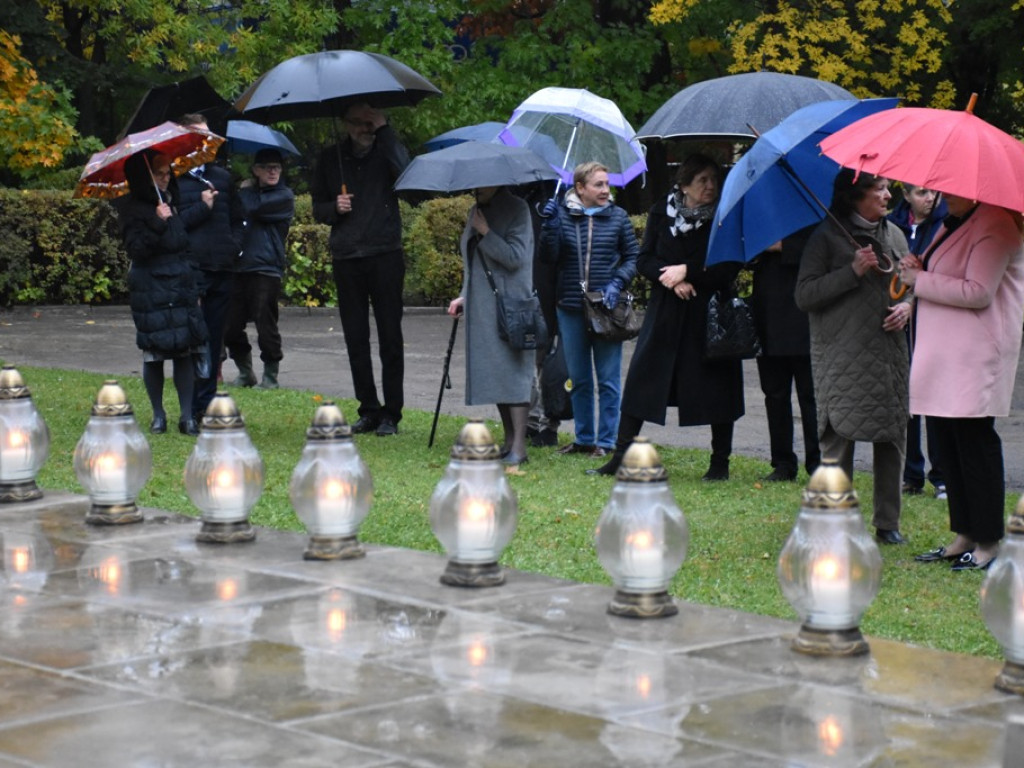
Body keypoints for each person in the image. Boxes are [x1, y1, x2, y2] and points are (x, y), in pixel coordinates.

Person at [590, 153, 744, 480]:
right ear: (684, 184)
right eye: (703, 180)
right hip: (666, 315)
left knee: (718, 388)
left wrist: (689, 273)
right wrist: (670, 278)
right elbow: (643, 259)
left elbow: (732, 264)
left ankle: (720, 464)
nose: (711, 186)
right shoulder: (663, 210)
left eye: (714, 180)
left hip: (709, 314)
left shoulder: (724, 216)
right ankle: (620, 456)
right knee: (641, 383)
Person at [904, 197, 1024, 571]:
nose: (939, 193)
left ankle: (988, 542)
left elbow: (978, 291)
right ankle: (964, 535)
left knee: (973, 443)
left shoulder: (995, 223)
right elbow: (950, 271)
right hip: (945, 353)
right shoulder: (954, 220)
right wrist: (920, 266)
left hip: (975, 352)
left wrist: (920, 280)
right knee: (947, 443)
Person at [795, 169, 912, 544]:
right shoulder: (825, 238)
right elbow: (805, 296)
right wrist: (852, 271)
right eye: (880, 190)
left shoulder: (894, 235)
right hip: (841, 354)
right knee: (840, 435)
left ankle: (888, 523)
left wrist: (908, 306)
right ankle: (834, 519)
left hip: (889, 353)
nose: (888, 196)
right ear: (855, 196)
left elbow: (910, 284)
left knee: (892, 434)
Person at [311, 102, 409, 436]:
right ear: (345, 124)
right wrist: (333, 208)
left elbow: (409, 180)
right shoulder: (330, 158)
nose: (363, 130)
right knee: (356, 338)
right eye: (356, 123)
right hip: (348, 255)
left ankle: (391, 413)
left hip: (385, 253)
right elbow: (317, 207)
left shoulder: (387, 152)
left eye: (369, 123)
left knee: (390, 337)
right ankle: (368, 408)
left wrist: (385, 130)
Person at [539, 162, 638, 458]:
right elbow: (548, 257)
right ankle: (584, 439)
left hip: (606, 309)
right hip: (570, 306)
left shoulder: (618, 218)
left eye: (607, 184)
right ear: (580, 188)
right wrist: (549, 227)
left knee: (608, 380)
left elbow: (633, 257)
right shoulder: (563, 215)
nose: (606, 190)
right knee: (579, 379)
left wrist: (616, 283)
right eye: (598, 184)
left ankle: (606, 442)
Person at [117, 150, 208, 435]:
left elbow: (183, 245)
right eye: (159, 173)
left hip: (180, 283)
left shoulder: (172, 202)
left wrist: (196, 285)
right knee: (153, 353)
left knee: (184, 350)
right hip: (151, 286)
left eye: (168, 172)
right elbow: (136, 249)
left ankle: (186, 416)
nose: (166, 178)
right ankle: (158, 415)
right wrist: (157, 221)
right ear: (145, 177)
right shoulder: (131, 208)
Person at [447, 186, 535, 466]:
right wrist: (465, 293)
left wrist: (486, 231)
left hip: (511, 305)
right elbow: (472, 260)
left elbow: (516, 258)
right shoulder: (477, 210)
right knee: (496, 372)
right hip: (482, 307)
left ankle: (519, 448)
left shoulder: (518, 208)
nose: (476, 188)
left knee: (515, 372)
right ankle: (509, 441)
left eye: (482, 184)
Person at [175, 113, 243, 428]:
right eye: (200, 133)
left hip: (223, 267)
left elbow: (239, 219)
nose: (208, 138)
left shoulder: (223, 177)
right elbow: (173, 225)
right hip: (192, 268)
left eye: (209, 132)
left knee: (215, 339)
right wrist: (202, 207)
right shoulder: (175, 179)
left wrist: (234, 246)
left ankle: (206, 404)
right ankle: (188, 406)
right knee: (193, 338)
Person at [888, 184, 949, 498]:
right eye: (921, 192)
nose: (929, 198)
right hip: (901, 321)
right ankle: (911, 473)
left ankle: (940, 475)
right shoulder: (894, 225)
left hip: (933, 319)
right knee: (906, 399)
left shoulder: (946, 223)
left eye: (932, 193)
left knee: (934, 397)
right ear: (907, 195)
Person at [749, 227, 820, 482]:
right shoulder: (762, 210)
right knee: (775, 393)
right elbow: (745, 252)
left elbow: (821, 248)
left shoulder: (814, 206)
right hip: (768, 310)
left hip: (804, 311)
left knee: (810, 395)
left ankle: (818, 462)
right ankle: (782, 461)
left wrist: (783, 245)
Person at [223, 148, 295, 390]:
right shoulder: (248, 192)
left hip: (266, 268)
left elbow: (250, 207)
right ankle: (245, 371)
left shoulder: (283, 195)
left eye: (277, 167)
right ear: (256, 170)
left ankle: (270, 376)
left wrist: (244, 190)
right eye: (267, 167)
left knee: (266, 324)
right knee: (230, 325)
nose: (273, 171)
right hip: (239, 267)